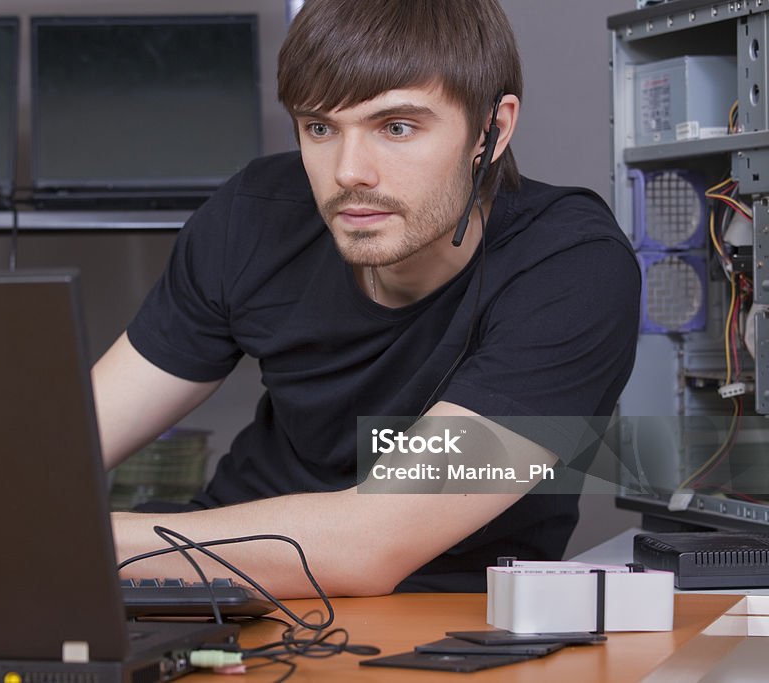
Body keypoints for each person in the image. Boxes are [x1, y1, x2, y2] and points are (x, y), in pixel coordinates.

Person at [92, 0, 640, 597]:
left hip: (431, 624)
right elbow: (66, 446)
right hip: (205, 588)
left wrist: (80, 539)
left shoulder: (570, 267)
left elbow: (369, 544)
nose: (350, 172)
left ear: (493, 129)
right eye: (321, 128)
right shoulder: (255, 213)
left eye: (397, 127)